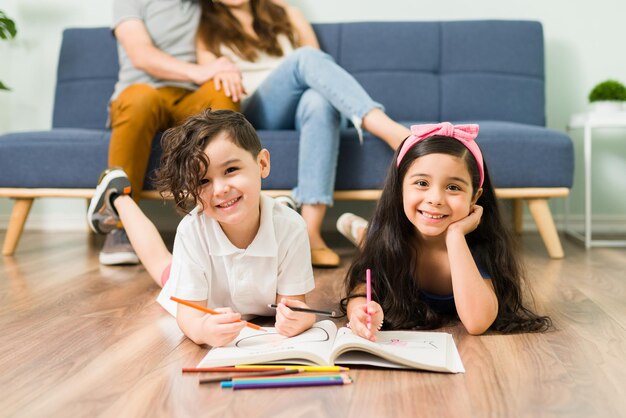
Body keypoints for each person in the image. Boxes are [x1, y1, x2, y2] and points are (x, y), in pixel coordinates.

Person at [194, 0, 411, 267]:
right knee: (303, 57)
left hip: (300, 105)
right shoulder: (206, 26)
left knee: (319, 102)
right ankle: (390, 131)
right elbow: (209, 75)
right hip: (254, 109)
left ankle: (309, 233)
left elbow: (321, 72)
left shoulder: (287, 13)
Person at [88, 110, 316, 346]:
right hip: (206, 294)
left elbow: (292, 306)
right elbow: (190, 317)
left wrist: (297, 317)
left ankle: (276, 207)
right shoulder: (192, 231)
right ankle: (118, 196)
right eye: (203, 181)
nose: (219, 190)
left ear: (262, 164)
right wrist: (201, 329)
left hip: (276, 231)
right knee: (162, 267)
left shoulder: (292, 228)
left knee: (283, 222)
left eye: (230, 170)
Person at [341, 123, 552, 339]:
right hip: (380, 233)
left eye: (453, 187)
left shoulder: (480, 246)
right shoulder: (388, 238)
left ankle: (360, 230)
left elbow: (477, 323)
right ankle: (360, 230)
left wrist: (455, 236)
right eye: (422, 183)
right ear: (400, 188)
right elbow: (362, 286)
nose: (435, 199)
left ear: (475, 198)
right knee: (369, 239)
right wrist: (360, 311)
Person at [98, 0, 239, 266]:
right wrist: (200, 72)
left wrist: (223, 70)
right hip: (141, 94)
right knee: (140, 97)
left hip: (189, 98)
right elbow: (140, 54)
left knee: (222, 93)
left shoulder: (206, 4)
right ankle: (120, 225)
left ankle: (226, 222)